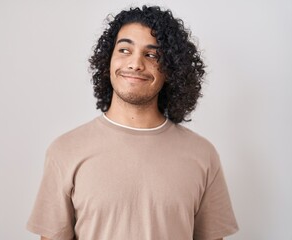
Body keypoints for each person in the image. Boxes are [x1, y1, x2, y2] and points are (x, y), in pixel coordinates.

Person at [27, 5, 238, 240]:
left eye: (151, 55)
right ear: (108, 60)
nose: (136, 63)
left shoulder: (203, 155)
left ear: (171, 70)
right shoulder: (65, 151)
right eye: (125, 50)